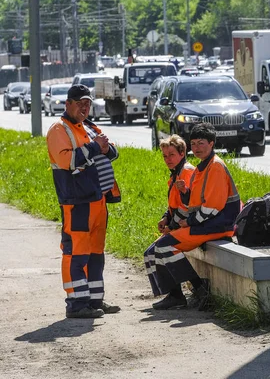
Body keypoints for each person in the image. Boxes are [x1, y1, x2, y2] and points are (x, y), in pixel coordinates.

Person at [144, 123, 241, 310]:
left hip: (218, 225)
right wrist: (186, 193)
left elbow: (212, 208)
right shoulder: (201, 167)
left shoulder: (215, 167)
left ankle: (199, 290)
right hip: (206, 224)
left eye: (201, 143)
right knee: (160, 247)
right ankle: (180, 294)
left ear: (212, 143)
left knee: (164, 246)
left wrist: (185, 222)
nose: (197, 148)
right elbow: (194, 202)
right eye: (194, 143)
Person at [46, 84, 121, 319]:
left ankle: (95, 300)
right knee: (75, 251)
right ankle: (76, 304)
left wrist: (105, 147)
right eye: (79, 103)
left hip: (97, 199)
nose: (84, 107)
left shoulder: (88, 126)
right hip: (76, 201)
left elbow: (112, 152)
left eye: (87, 103)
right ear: (67, 104)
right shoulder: (59, 129)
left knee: (96, 252)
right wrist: (95, 147)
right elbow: (68, 161)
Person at [144, 135, 196, 301]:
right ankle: (171, 294)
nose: (168, 159)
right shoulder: (175, 174)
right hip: (179, 224)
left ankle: (191, 290)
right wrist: (165, 218)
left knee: (159, 249)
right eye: (165, 156)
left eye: (172, 155)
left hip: (188, 225)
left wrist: (171, 227)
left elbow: (186, 207)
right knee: (149, 253)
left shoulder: (186, 171)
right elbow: (174, 205)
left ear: (182, 153)